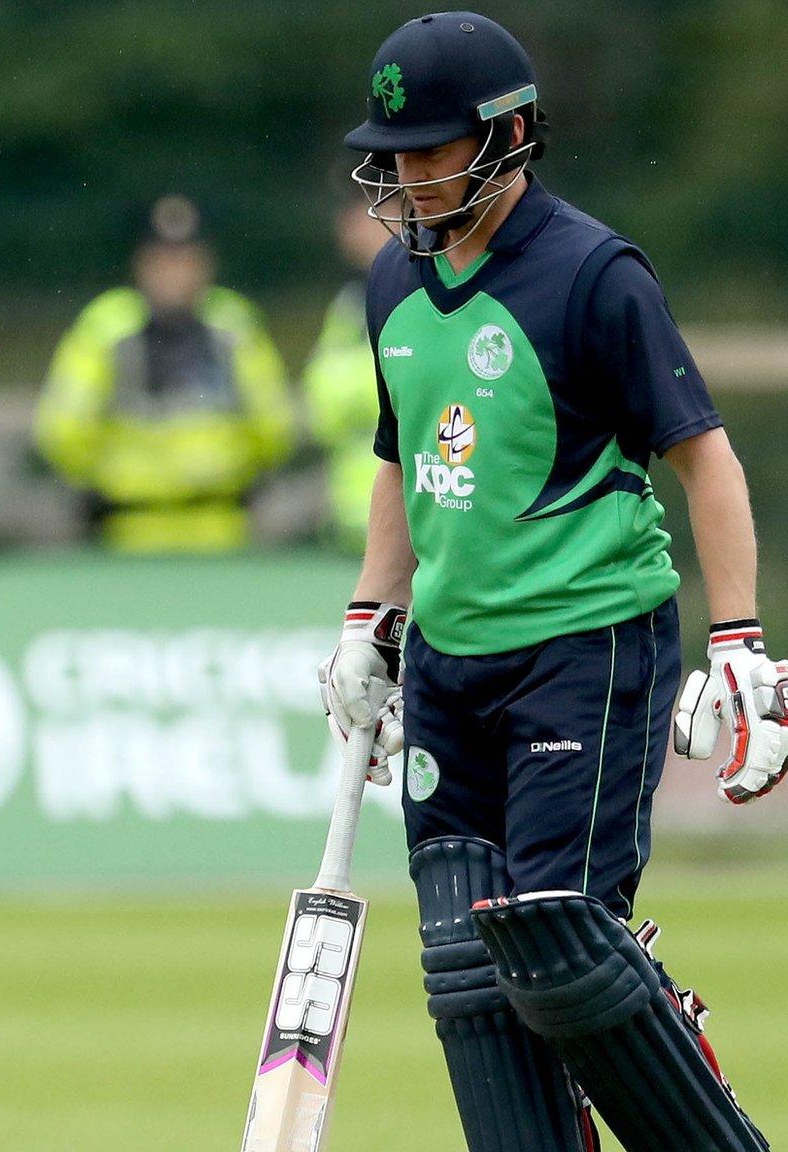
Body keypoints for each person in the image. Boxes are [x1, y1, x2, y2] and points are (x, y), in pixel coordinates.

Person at [320, 13, 777, 1150]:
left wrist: (736, 640)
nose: (407, 177)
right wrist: (370, 624)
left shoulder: (592, 275)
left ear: (510, 134)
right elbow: (399, 456)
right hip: (448, 660)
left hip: (584, 648)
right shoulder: (390, 283)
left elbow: (702, 455)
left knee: (554, 941)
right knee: (467, 969)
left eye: (432, 150)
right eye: (394, 152)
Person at [34, 195, 292, 551]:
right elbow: (63, 430)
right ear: (140, 265)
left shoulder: (234, 325)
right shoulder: (108, 328)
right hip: (129, 528)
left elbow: (275, 426)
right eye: (164, 261)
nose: (175, 274)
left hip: (222, 527)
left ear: (207, 264)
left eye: (185, 261)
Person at [302, 199, 393, 552]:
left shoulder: (431, 288)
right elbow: (320, 408)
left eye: (372, 212)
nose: (354, 226)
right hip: (351, 522)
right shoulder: (350, 302)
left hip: (420, 524)